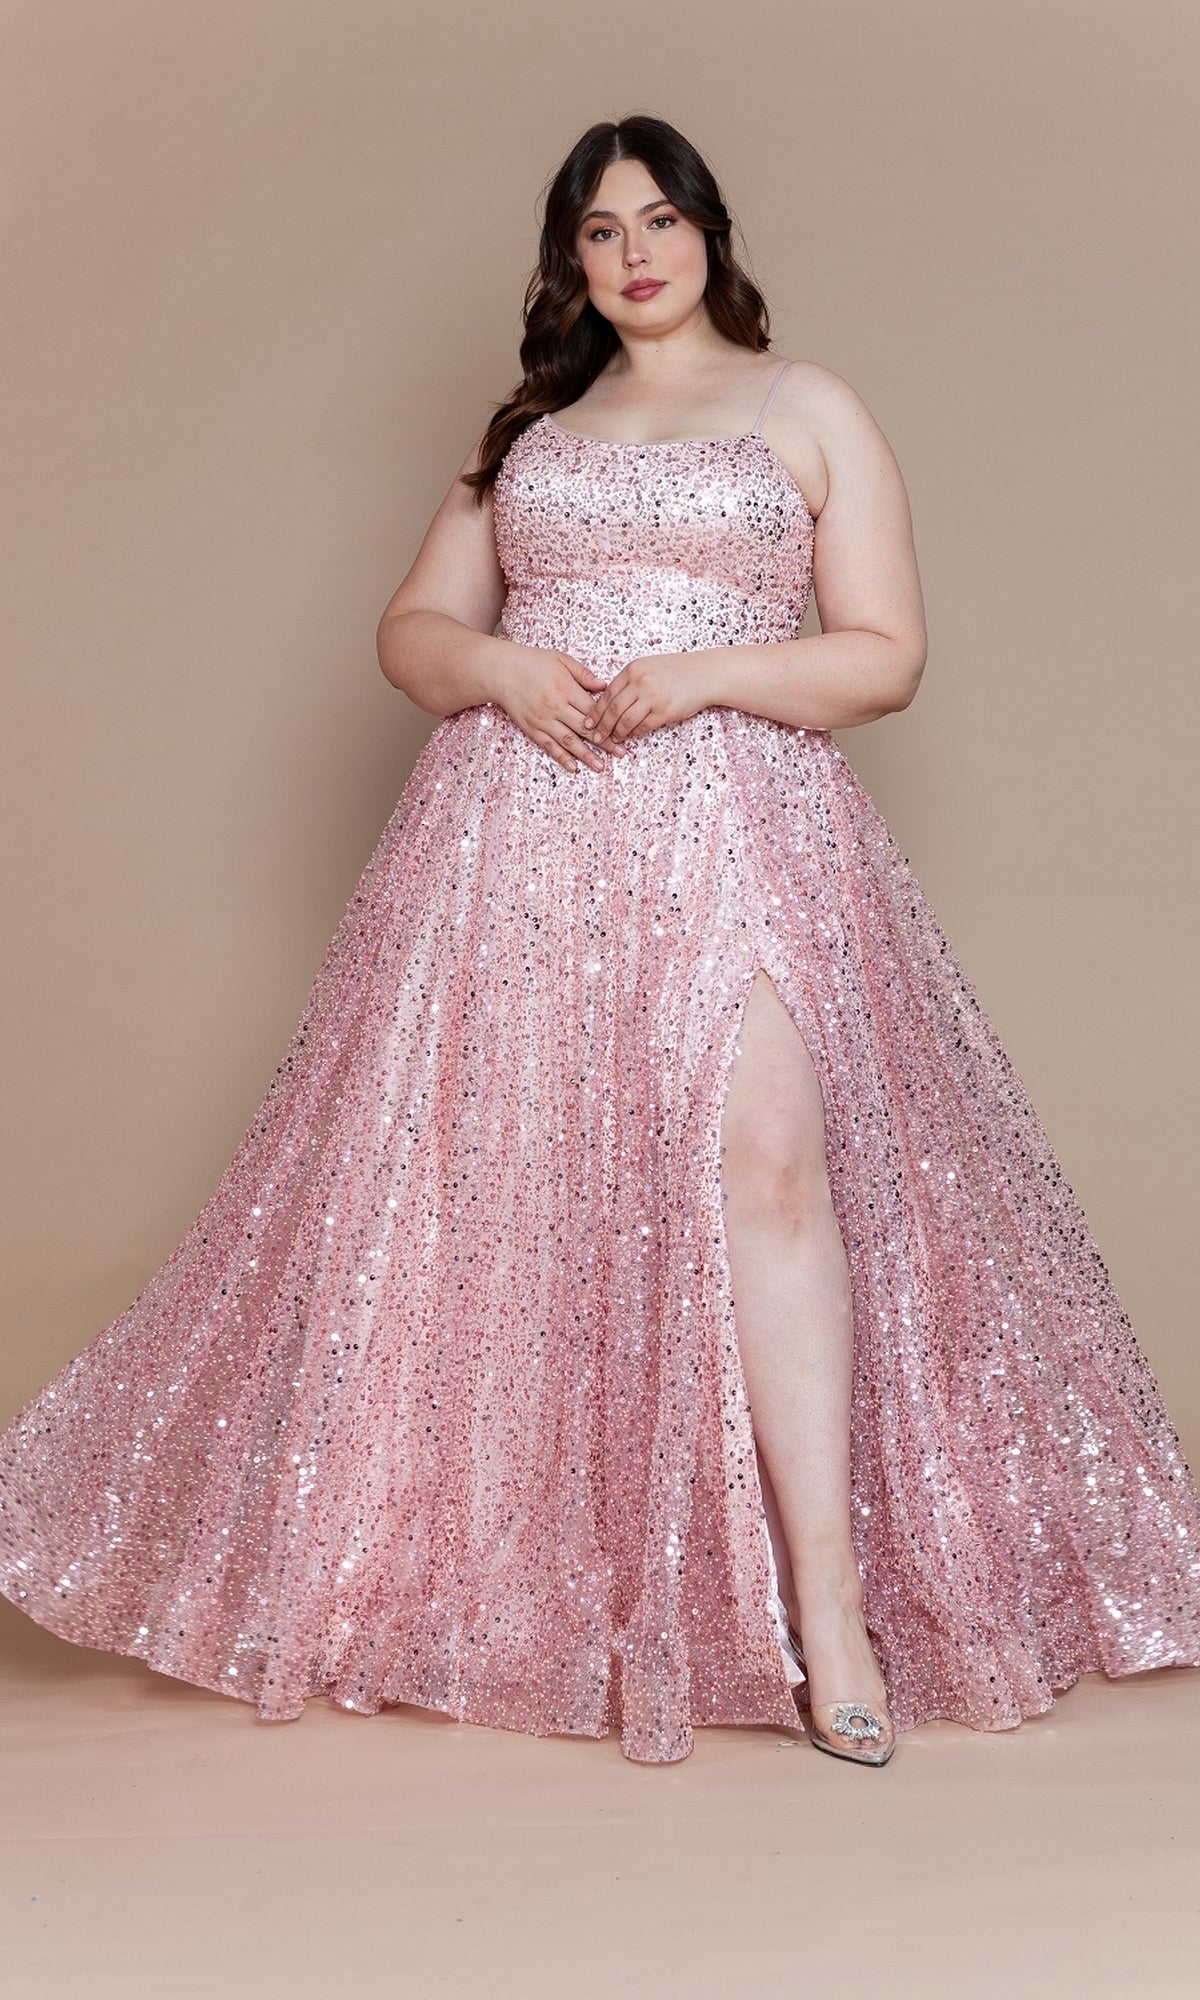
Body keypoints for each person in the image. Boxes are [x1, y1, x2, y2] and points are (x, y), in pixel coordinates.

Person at [3, 115, 1199, 1771]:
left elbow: (885, 657)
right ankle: (551, 1581)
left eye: (659, 219)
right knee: (528, 1206)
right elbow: (412, 630)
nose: (634, 253)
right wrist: (498, 670)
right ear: (571, 263)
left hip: (747, 830)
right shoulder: (535, 438)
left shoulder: (809, 408)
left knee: (770, 1165)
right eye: (598, 232)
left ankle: (832, 1614)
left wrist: (706, 672)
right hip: (523, 849)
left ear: (710, 230)